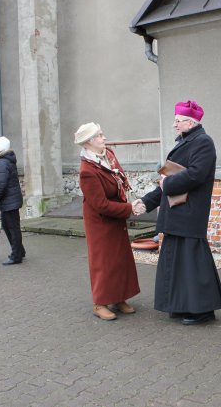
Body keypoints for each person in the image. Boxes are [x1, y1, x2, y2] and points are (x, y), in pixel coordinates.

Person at [133, 100, 221, 325]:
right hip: (177, 213)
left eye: (177, 120)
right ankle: (182, 305)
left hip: (189, 212)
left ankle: (202, 310)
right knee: (178, 263)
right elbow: (164, 183)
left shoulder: (203, 142)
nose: (174, 125)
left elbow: (196, 175)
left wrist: (169, 183)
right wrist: (146, 202)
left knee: (193, 264)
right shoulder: (184, 142)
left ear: (190, 121)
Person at [75, 122, 140, 321]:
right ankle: (100, 303)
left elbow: (120, 177)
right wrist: (129, 208)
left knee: (120, 258)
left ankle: (118, 297)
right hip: (100, 222)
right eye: (99, 136)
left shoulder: (108, 154)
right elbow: (101, 205)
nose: (104, 138)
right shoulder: (87, 171)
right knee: (104, 261)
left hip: (115, 216)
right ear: (88, 143)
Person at [0, 136, 26, 266]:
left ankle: (16, 255)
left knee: (12, 228)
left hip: (9, 201)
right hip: (11, 200)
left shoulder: (1, 163)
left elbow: (1, 184)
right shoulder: (7, 160)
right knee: (9, 226)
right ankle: (19, 251)